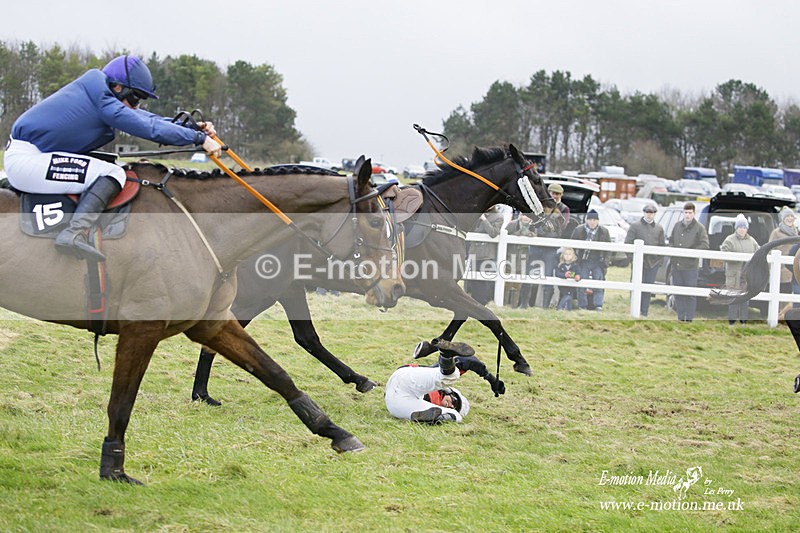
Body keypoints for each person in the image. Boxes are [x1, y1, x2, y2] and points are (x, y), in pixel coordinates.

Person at [3, 55, 222, 261]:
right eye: (135, 98)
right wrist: (197, 138)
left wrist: (190, 128)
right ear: (117, 87)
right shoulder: (102, 100)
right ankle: (72, 233)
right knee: (113, 173)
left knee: (114, 167)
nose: (137, 105)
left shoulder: (101, 93)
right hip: (28, 160)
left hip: (36, 155)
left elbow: (147, 118)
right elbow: (148, 128)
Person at [385, 339, 505, 424]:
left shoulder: (429, 404)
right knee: (448, 379)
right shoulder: (437, 382)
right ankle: (446, 356)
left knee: (452, 412)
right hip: (408, 378)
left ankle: (435, 419)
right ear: (450, 393)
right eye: (455, 401)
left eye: (454, 407)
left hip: (397, 402)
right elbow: (468, 360)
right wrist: (491, 378)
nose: (451, 405)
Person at [519, 182, 570, 308]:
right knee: (528, 273)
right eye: (552, 193)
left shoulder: (564, 209)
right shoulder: (541, 206)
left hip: (551, 247)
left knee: (548, 275)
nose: (554, 196)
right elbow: (533, 222)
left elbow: (560, 228)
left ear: (561, 195)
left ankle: (545, 306)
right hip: (536, 244)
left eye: (557, 194)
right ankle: (523, 303)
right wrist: (531, 232)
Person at [669, 202, 709, 322]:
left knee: (690, 294)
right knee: (678, 293)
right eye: (686, 212)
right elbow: (671, 241)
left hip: (691, 266)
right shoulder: (677, 226)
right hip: (676, 265)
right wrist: (673, 253)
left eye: (690, 213)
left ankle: (689, 318)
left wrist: (691, 253)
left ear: (694, 213)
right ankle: (681, 318)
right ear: (683, 213)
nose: (687, 215)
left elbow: (705, 244)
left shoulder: (699, 228)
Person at [624, 203, 665, 317]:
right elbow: (628, 243)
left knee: (648, 287)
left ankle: (644, 311)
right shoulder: (635, 226)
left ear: (655, 214)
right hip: (639, 263)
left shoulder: (659, 228)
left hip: (653, 263)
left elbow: (662, 246)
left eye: (651, 213)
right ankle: (634, 309)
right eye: (647, 212)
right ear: (644, 213)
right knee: (635, 286)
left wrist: (659, 261)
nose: (649, 215)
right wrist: (633, 259)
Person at [719, 214, 760, 324]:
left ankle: (743, 322)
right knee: (733, 298)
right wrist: (736, 259)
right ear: (736, 228)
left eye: (744, 227)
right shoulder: (729, 240)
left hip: (746, 276)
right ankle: (732, 322)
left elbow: (758, 253)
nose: (742, 230)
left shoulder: (752, 241)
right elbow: (724, 253)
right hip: (733, 274)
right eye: (740, 227)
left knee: (745, 299)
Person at [464, 205, 508, 305]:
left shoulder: (498, 216)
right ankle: (473, 301)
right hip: (474, 252)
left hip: (486, 254)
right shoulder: (478, 214)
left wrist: (483, 219)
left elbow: (493, 233)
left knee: (483, 282)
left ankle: (482, 302)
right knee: (473, 280)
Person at [571, 209, 611, 311]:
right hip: (583, 260)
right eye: (590, 219)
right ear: (586, 220)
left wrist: (605, 262)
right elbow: (572, 245)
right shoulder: (579, 230)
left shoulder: (604, 231)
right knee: (581, 282)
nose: (592, 222)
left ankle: (598, 305)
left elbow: (609, 249)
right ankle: (582, 305)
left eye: (594, 220)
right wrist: (574, 260)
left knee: (598, 282)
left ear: (598, 221)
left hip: (598, 261)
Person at [769, 206, 798, 296]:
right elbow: (770, 249)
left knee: (791, 298)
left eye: (791, 216)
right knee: (780, 296)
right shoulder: (776, 232)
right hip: (780, 271)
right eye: (787, 216)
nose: (789, 219)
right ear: (783, 218)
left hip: (795, 270)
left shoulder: (797, 232)